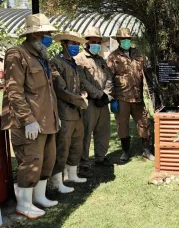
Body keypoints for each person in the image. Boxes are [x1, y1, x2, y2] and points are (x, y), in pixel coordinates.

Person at [1, 14, 59, 218]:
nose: (49, 37)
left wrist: (55, 115)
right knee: (31, 161)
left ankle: (39, 197)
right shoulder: (16, 54)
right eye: (46, 34)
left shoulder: (40, 56)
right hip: (29, 121)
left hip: (46, 119)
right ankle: (23, 204)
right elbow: (14, 91)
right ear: (35, 33)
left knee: (47, 160)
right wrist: (28, 120)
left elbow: (48, 91)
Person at [49, 31, 89, 193]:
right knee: (62, 146)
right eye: (73, 44)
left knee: (76, 144)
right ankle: (57, 182)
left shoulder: (74, 63)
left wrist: (84, 92)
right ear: (64, 44)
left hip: (77, 113)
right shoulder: (55, 63)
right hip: (64, 113)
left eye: (78, 44)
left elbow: (79, 84)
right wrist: (81, 100)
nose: (76, 47)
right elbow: (61, 89)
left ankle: (72, 175)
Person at [107, 28, 154, 162]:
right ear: (119, 40)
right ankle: (125, 152)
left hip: (137, 96)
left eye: (127, 39)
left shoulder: (138, 54)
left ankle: (146, 151)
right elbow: (109, 77)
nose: (125, 42)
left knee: (144, 122)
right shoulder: (113, 57)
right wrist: (112, 98)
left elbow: (145, 72)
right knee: (123, 125)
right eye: (123, 39)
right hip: (122, 97)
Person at [75, 27, 113, 178]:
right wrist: (98, 95)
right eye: (93, 42)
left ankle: (100, 157)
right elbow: (82, 81)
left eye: (98, 42)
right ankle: (83, 164)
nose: (96, 44)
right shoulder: (79, 59)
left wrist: (106, 96)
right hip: (89, 102)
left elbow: (109, 78)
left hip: (103, 102)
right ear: (87, 43)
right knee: (86, 133)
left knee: (103, 131)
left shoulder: (100, 59)